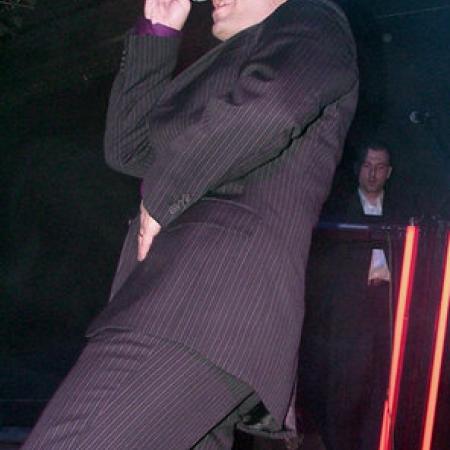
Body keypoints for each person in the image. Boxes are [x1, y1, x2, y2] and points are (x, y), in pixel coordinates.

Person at [22, 0, 358, 448]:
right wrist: (159, 32)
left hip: (204, 305)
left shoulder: (313, 17)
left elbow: (273, 107)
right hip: (191, 313)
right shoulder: (233, 66)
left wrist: (163, 196)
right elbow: (128, 149)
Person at [300, 141, 413, 450]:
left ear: (389, 172)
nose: (373, 173)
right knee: (346, 388)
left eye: (379, 167)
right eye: (367, 165)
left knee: (384, 385)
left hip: (389, 307)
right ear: (357, 169)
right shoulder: (337, 209)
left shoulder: (402, 211)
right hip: (349, 313)